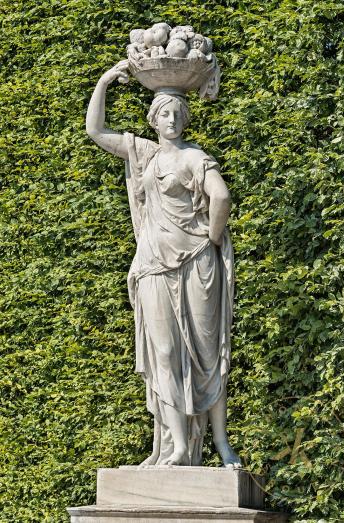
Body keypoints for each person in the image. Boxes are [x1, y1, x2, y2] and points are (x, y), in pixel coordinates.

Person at [86, 60, 241, 468]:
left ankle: (222, 443)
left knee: (208, 356)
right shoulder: (144, 152)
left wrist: (209, 238)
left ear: (185, 119)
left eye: (177, 113)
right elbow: (96, 132)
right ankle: (175, 444)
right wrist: (104, 82)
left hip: (196, 264)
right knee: (165, 353)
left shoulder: (195, 157)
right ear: (153, 120)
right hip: (154, 263)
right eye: (164, 113)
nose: (171, 119)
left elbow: (221, 198)